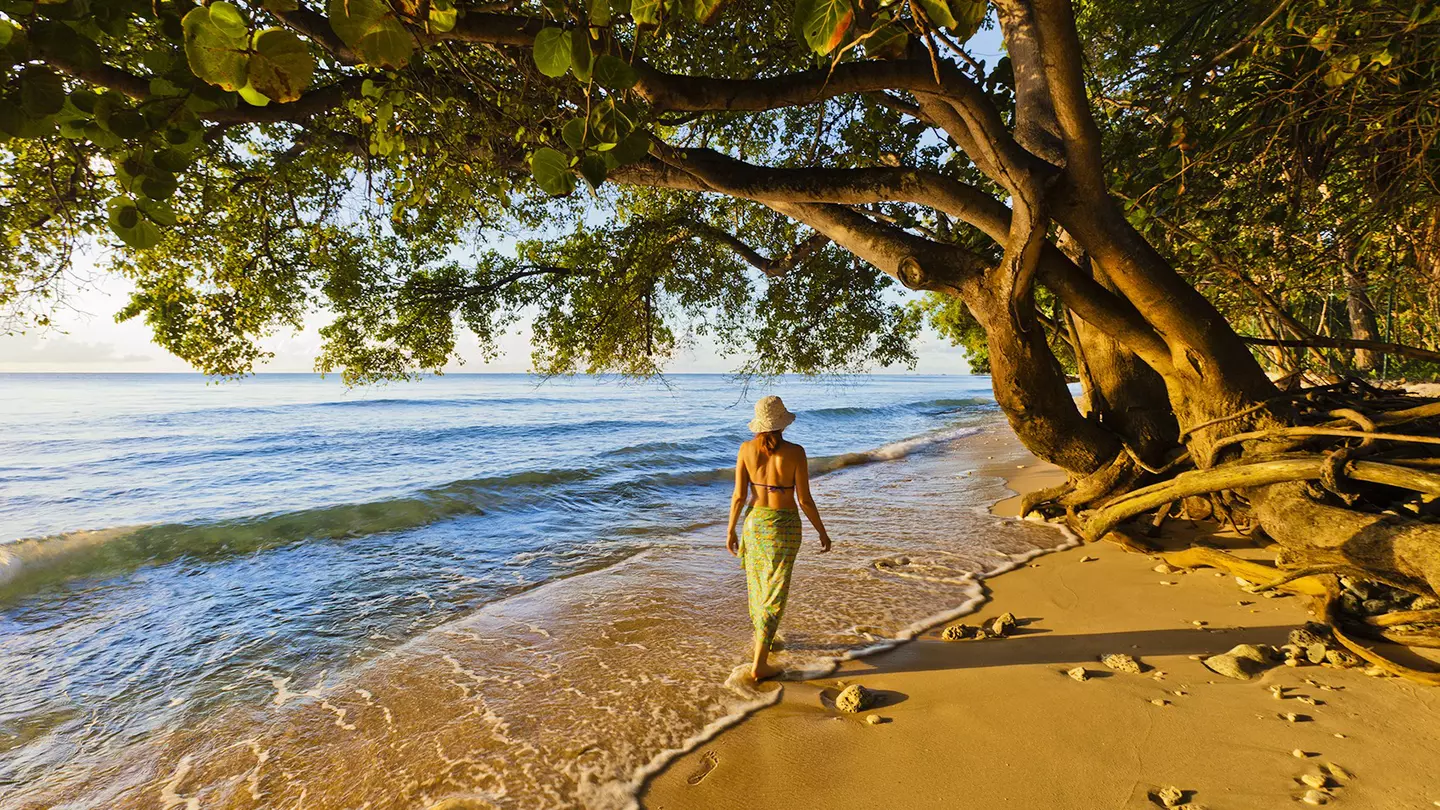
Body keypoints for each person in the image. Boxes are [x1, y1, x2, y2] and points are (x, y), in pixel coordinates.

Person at [726, 395, 832, 681]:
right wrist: (821, 530)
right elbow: (805, 499)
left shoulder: (745, 449)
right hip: (784, 525)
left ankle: (766, 640)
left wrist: (731, 529)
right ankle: (760, 663)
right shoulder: (796, 452)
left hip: (754, 523)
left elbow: (738, 496)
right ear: (782, 423)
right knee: (776, 589)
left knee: (758, 584)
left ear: (759, 424)